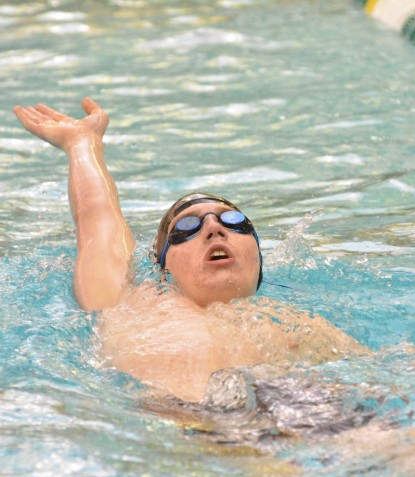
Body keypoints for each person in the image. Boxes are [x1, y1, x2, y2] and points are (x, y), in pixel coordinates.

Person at [13, 98, 367, 402]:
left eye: (233, 220)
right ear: (162, 267)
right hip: (190, 427)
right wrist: (82, 143)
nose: (214, 228)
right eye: (187, 227)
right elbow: (96, 219)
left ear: (258, 256)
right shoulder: (128, 303)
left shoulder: (302, 329)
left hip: (304, 412)